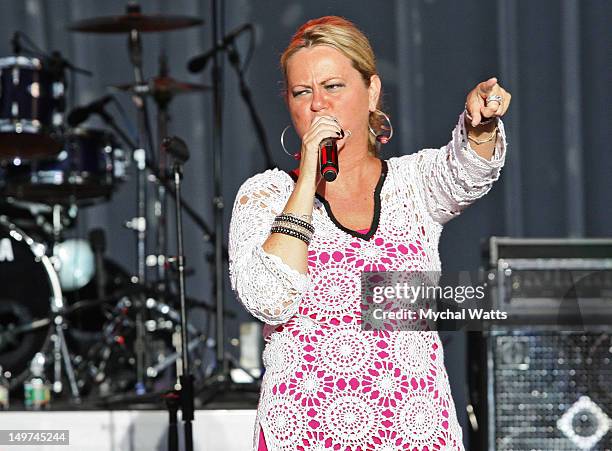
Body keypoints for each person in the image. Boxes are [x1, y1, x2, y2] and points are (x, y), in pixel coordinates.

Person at [228, 16, 511, 451]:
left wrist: (481, 127)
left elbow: (466, 170)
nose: (318, 104)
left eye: (334, 86)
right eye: (303, 92)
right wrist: (306, 182)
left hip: (412, 429)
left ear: (371, 91)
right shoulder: (266, 195)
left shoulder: (413, 184)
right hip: (305, 433)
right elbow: (269, 299)